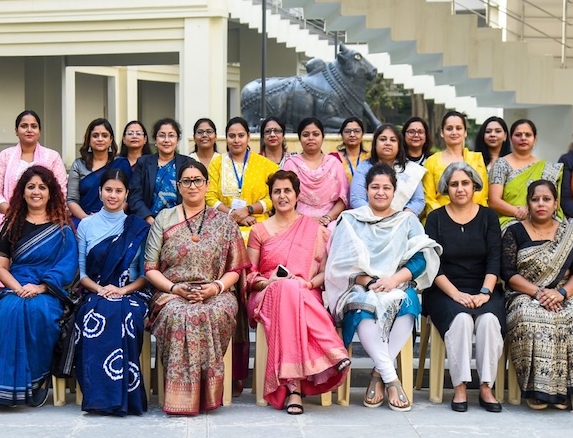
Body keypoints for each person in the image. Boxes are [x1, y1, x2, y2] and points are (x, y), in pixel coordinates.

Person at [325, 164, 441, 412]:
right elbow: (340, 265)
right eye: (374, 187)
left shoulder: (407, 220)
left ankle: (379, 373)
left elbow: (420, 260)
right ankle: (391, 378)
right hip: (359, 285)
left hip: (396, 283)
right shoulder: (350, 219)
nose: (380, 192)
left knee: (409, 301)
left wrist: (393, 281)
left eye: (386, 187)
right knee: (362, 306)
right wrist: (368, 282)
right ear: (366, 190)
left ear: (394, 191)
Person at [144, 161, 247, 415]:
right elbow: (150, 267)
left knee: (211, 312)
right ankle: (181, 397)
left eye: (197, 180)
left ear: (207, 184)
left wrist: (215, 287)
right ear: (178, 187)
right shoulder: (164, 218)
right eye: (186, 181)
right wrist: (175, 289)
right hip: (171, 291)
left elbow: (235, 269)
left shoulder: (224, 222)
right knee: (180, 314)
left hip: (216, 292)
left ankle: (206, 393)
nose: (192, 186)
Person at [246, 170, 351, 414]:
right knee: (285, 287)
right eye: (277, 191)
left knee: (292, 289)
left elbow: (325, 272)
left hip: (306, 293)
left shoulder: (315, 229)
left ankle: (294, 390)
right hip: (266, 295)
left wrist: (309, 284)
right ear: (271, 196)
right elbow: (249, 277)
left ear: (297, 195)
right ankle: (332, 350)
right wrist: (269, 281)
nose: (282, 196)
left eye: (287, 191)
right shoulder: (259, 231)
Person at [0, 166, 77, 407]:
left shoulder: (62, 228)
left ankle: (38, 380)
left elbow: (67, 265)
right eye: (31, 186)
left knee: (40, 313)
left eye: (42, 187)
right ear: (22, 192)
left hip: (48, 289)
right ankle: (6, 389)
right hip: (16, 286)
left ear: (51, 193)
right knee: (6, 314)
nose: (36, 192)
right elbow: (1, 267)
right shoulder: (11, 223)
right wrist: (17, 288)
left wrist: (41, 287)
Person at [500, 180, 573, 410]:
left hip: (564, 292)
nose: (541, 204)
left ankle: (564, 388)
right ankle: (537, 389)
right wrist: (540, 293)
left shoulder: (569, 233)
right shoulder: (514, 231)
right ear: (528, 203)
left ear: (555, 203)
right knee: (531, 319)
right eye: (535, 199)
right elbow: (508, 273)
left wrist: (561, 293)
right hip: (525, 292)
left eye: (546, 199)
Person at [423, 162, 505, 413]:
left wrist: (484, 293)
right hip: (444, 289)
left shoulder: (488, 216)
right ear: (446, 188)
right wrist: (456, 294)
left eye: (465, 183)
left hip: (484, 287)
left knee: (489, 320)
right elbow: (432, 263)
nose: (460, 188)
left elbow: (495, 258)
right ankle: (459, 386)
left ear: (475, 186)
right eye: (454, 184)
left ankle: (486, 387)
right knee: (461, 320)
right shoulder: (435, 218)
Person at [74, 168, 151, 416]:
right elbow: (82, 274)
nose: (113, 195)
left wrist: (121, 290)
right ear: (99, 192)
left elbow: (144, 276)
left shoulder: (138, 227)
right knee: (92, 315)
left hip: (131, 293)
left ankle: (125, 397)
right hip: (94, 291)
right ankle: (99, 398)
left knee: (127, 315)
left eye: (118, 191)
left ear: (127, 194)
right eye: (108, 190)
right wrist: (102, 290)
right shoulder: (86, 226)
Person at [0, 110, 68, 230]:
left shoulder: (53, 157)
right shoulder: (5, 156)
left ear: (39, 131)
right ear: (16, 131)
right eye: (24, 126)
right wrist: (13, 213)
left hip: (46, 218)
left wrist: (38, 216)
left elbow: (60, 192)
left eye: (34, 126)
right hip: (9, 216)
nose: (29, 130)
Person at [206, 117, 278, 240]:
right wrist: (233, 214)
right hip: (223, 224)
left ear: (248, 137)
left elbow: (273, 196)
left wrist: (248, 210)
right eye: (232, 136)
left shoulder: (266, 165)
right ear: (226, 138)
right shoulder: (217, 163)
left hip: (257, 223)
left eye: (241, 135)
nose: (236, 140)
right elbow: (209, 196)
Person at [487, 119, 564, 230]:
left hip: (543, 219)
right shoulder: (501, 164)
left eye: (528, 135)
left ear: (535, 139)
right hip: (511, 219)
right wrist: (517, 212)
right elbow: (494, 201)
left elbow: (552, 200)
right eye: (518, 135)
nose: (523, 138)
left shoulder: (546, 167)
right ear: (510, 138)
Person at [282, 117, 348, 227]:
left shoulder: (334, 164)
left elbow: (343, 198)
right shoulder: (291, 164)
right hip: (296, 219)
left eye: (316, 134)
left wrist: (327, 218)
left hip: (330, 220)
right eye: (306, 135)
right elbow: (284, 197)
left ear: (323, 137)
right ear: (300, 138)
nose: (311, 138)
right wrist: (303, 219)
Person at [128, 118, 195, 224]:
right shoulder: (143, 163)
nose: (166, 140)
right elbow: (134, 196)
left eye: (171, 135)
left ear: (177, 140)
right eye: (162, 135)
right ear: (155, 139)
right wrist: (149, 219)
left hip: (181, 223)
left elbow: (194, 194)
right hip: (148, 223)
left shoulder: (188, 163)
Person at [349, 123, 426, 215]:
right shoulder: (364, 167)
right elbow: (357, 199)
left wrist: (402, 217)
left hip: (401, 222)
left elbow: (418, 200)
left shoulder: (411, 169)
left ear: (399, 145)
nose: (388, 143)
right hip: (368, 219)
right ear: (375, 144)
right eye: (383, 139)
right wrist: (376, 216)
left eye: (393, 140)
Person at [422, 111, 489, 215]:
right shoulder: (432, 161)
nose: (454, 132)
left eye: (458, 128)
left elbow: (482, 195)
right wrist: (445, 218)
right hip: (440, 219)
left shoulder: (476, 159)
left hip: (474, 217)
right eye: (449, 129)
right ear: (442, 133)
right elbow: (428, 198)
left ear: (465, 132)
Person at [67, 118, 131, 225]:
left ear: (111, 140)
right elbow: (72, 200)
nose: (100, 139)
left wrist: (111, 216)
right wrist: (88, 219)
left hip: (115, 219)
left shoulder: (121, 164)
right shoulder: (78, 165)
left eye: (104, 135)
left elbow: (128, 198)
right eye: (95, 135)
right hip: (84, 220)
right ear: (89, 140)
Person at [329, 116, 369, 182]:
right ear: (342, 135)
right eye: (347, 131)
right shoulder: (333, 158)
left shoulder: (370, 158)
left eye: (356, 131)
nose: (352, 135)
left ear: (362, 134)